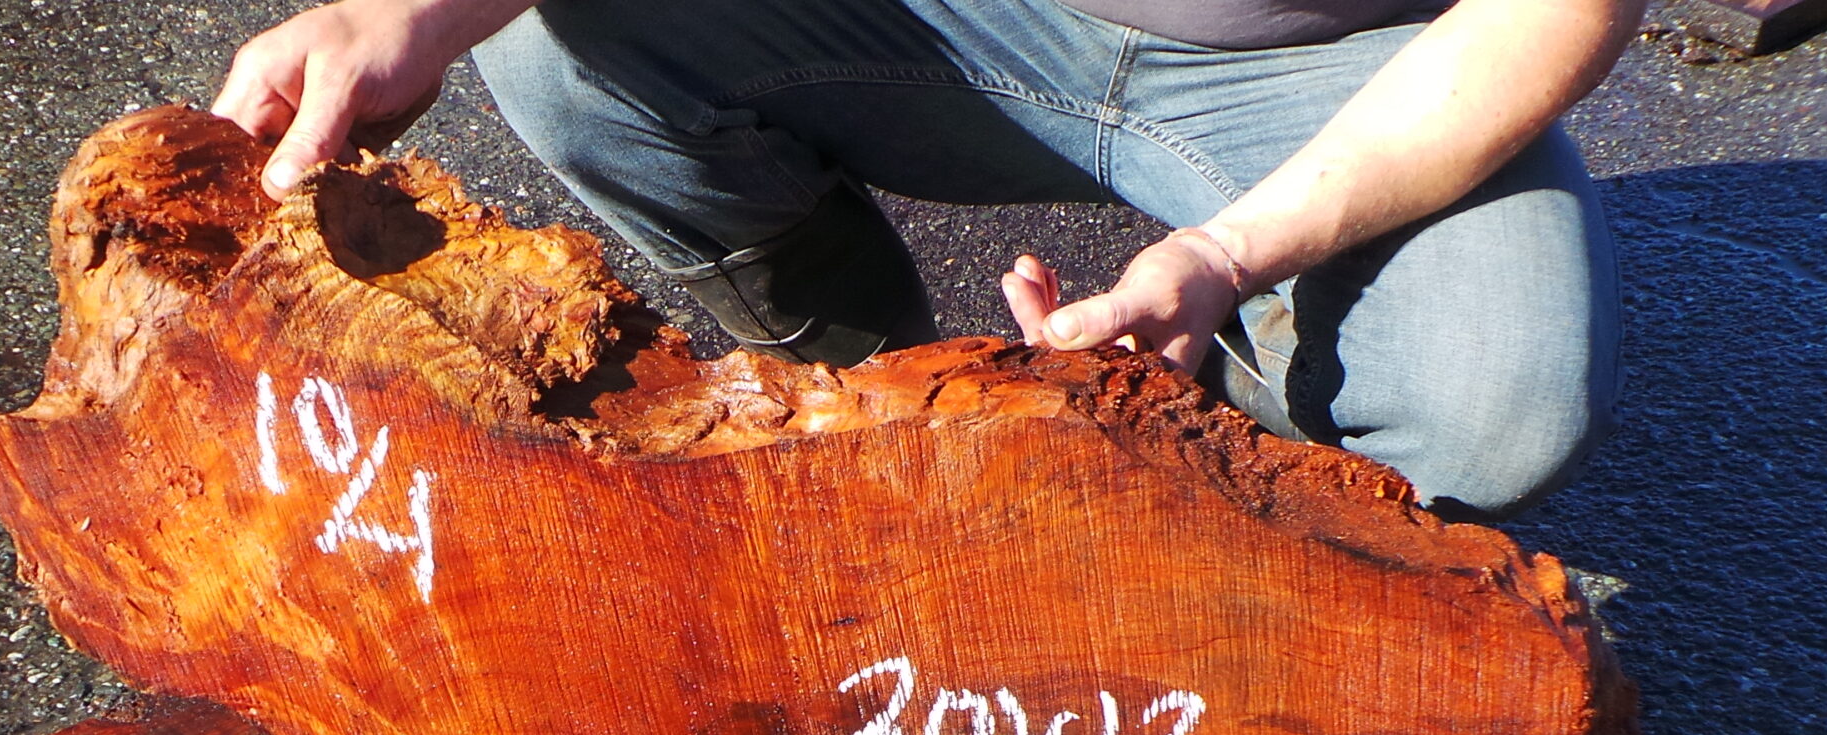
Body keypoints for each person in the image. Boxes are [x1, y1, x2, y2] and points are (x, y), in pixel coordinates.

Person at [214, 0, 1641, 520]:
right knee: (563, 35)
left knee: (1490, 404)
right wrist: (394, 9)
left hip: (1343, 70)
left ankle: (1204, 422)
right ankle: (851, 410)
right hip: (955, 19)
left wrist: (1229, 252)